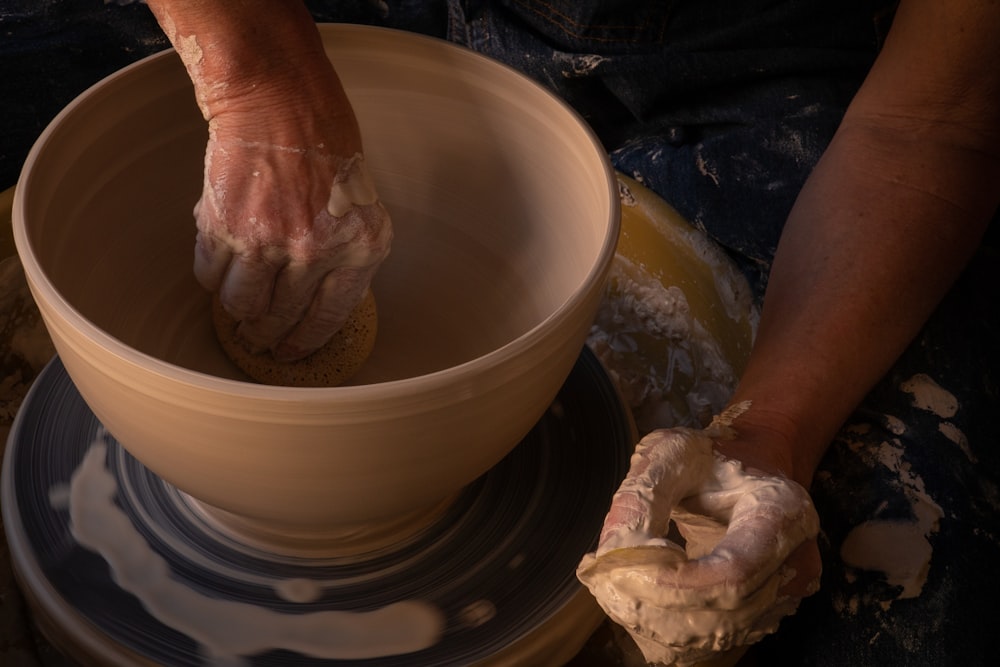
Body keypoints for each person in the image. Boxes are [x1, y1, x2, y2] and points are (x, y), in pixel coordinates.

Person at [143, 1, 1000, 664]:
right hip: (312, 23)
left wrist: (773, 429)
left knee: (918, 575)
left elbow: (933, 120)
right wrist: (257, 81)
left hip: (744, 66)